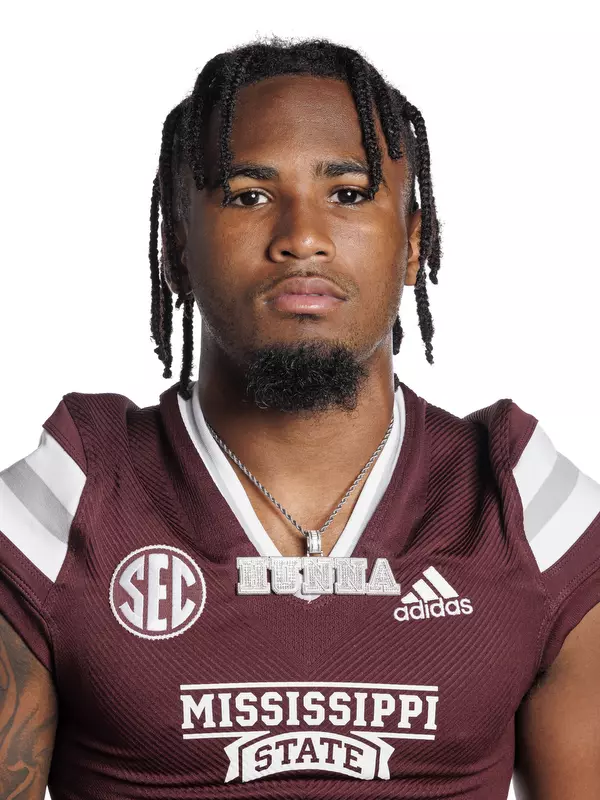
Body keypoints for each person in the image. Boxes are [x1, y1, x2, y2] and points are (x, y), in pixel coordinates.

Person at [0, 35, 598, 800]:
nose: (302, 237)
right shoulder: (62, 510)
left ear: (415, 243)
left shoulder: (525, 512)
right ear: (176, 249)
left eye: (347, 193)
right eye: (249, 195)